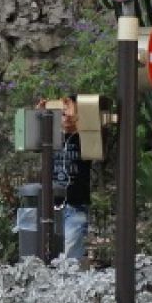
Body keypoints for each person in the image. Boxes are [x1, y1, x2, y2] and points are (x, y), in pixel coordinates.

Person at [49, 98, 92, 264]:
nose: (65, 116)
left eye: (69, 111)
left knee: (70, 257)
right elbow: (31, 137)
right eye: (61, 112)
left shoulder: (84, 138)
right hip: (51, 203)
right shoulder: (51, 136)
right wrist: (41, 113)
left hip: (76, 202)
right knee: (49, 253)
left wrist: (75, 111)